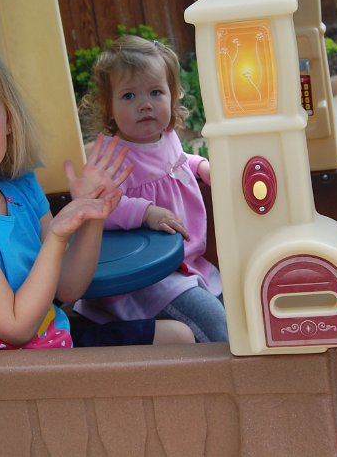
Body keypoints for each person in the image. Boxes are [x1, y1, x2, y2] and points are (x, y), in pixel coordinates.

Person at [0, 34, 194, 351]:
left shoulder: (19, 187)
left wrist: (92, 212)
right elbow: (16, 327)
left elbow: (68, 288)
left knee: (178, 337)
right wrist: (57, 237)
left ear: (8, 118)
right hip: (15, 372)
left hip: (57, 343)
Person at [75, 35, 228, 342]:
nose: (145, 104)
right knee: (213, 322)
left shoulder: (166, 136)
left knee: (234, 303)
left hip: (186, 261)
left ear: (172, 95)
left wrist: (200, 166)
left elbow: (176, 162)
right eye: (129, 96)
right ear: (108, 106)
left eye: (156, 92)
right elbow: (99, 205)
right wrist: (145, 212)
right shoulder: (110, 157)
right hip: (146, 278)